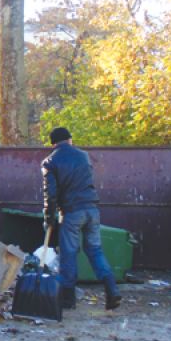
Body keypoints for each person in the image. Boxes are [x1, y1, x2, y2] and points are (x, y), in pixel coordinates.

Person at [41, 127, 121, 310]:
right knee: (95, 250)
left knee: (68, 253)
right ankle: (112, 289)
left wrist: (49, 217)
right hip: (92, 209)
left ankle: (68, 300)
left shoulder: (49, 162)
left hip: (71, 212)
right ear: (70, 139)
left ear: (53, 143)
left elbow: (50, 193)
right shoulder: (83, 156)